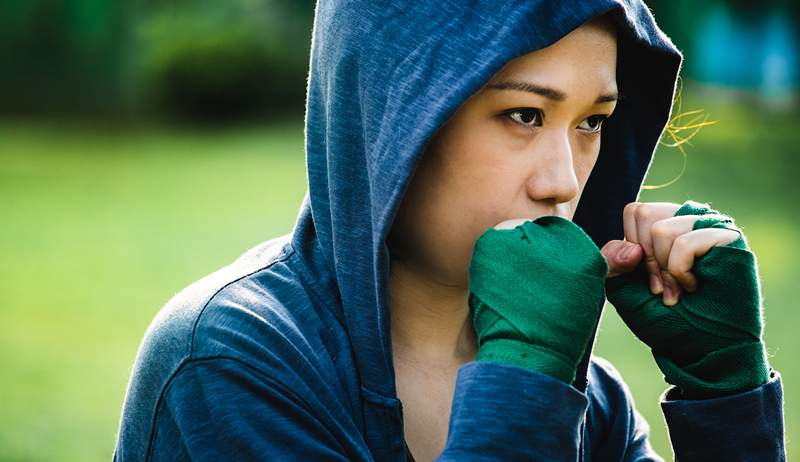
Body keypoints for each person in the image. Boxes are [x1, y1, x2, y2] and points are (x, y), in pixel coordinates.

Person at [113, 1, 786, 461]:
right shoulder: (233, 362)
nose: (563, 181)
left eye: (592, 122)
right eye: (523, 115)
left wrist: (724, 396)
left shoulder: (586, 396)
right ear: (394, 119)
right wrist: (523, 385)